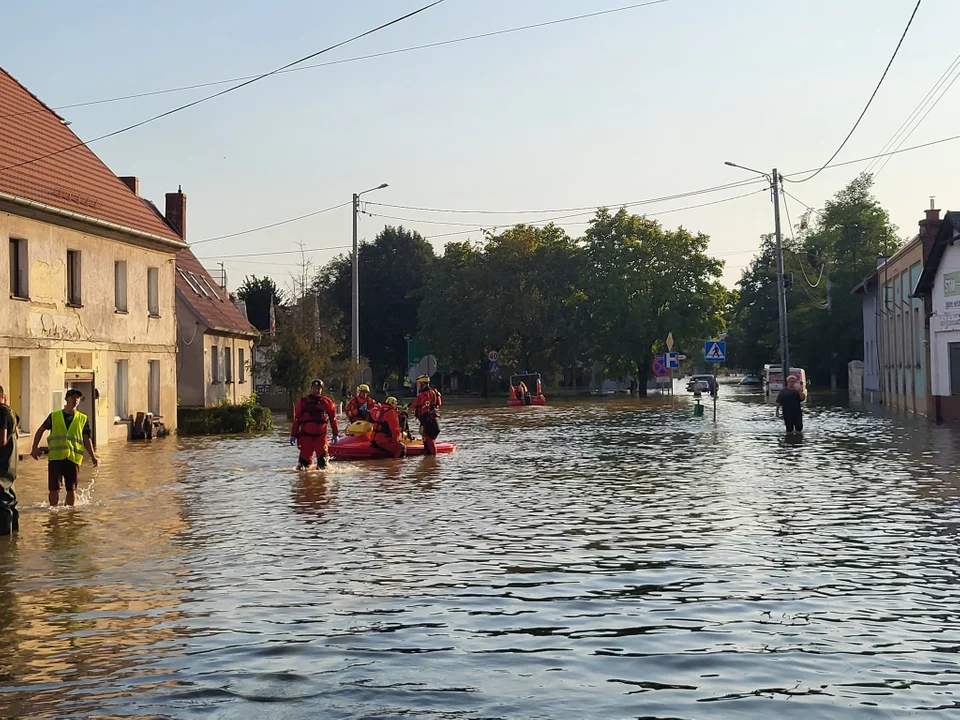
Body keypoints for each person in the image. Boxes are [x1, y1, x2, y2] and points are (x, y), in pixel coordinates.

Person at [30, 388, 99, 507]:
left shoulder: (83, 419)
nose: (75, 399)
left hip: (72, 459)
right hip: (55, 458)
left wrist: (93, 456)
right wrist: (34, 448)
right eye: (72, 397)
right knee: (54, 488)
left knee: (71, 489)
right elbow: (40, 430)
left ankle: (70, 515)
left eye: (77, 397)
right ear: (66, 399)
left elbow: (87, 439)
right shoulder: (54, 416)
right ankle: (53, 511)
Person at [291, 379, 340, 470]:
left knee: (323, 466)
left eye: (318, 388)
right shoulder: (303, 402)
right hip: (306, 437)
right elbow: (297, 419)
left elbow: (333, 419)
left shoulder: (327, 403)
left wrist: (335, 434)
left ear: (321, 390)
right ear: (311, 389)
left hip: (321, 437)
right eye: (314, 388)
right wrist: (293, 435)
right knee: (303, 467)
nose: (316, 390)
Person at [0, 385, 19, 535]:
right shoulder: (10, 412)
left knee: (2, 502)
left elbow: (2, 440)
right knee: (10, 500)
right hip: (11, 464)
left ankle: (5, 539)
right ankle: (14, 536)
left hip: (2, 463)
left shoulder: (1, 412)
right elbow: (16, 434)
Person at [409, 375, 442, 455]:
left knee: (429, 441)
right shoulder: (433, 392)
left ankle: (432, 462)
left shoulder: (425, 395)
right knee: (426, 441)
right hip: (433, 419)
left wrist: (423, 422)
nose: (418, 386)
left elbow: (424, 409)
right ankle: (428, 462)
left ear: (423, 384)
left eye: (419, 384)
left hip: (428, 421)